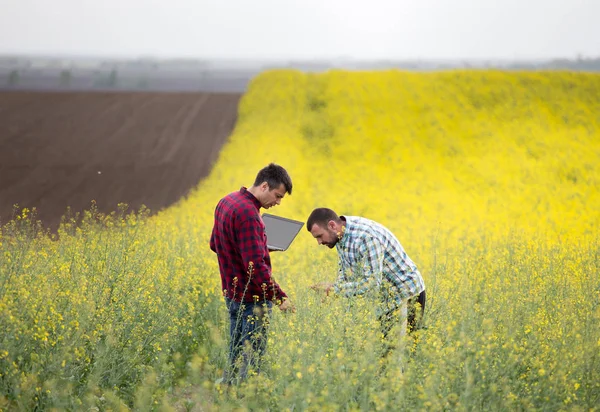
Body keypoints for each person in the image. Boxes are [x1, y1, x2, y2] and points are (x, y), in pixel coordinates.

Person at [210, 163, 296, 384]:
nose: (277, 202)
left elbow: (215, 243)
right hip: (252, 298)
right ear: (264, 186)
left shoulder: (226, 201)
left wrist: (258, 244)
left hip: (231, 292)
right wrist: (279, 297)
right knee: (252, 357)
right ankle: (245, 400)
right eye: (277, 196)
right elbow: (256, 267)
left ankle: (229, 392)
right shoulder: (250, 214)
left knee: (236, 350)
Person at [306, 207, 426, 360]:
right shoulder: (341, 235)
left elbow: (371, 282)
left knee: (400, 356)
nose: (319, 242)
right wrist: (333, 294)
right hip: (385, 300)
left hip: (405, 295)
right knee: (384, 356)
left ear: (332, 225)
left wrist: (335, 289)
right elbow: (347, 272)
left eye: (319, 236)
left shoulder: (366, 237)